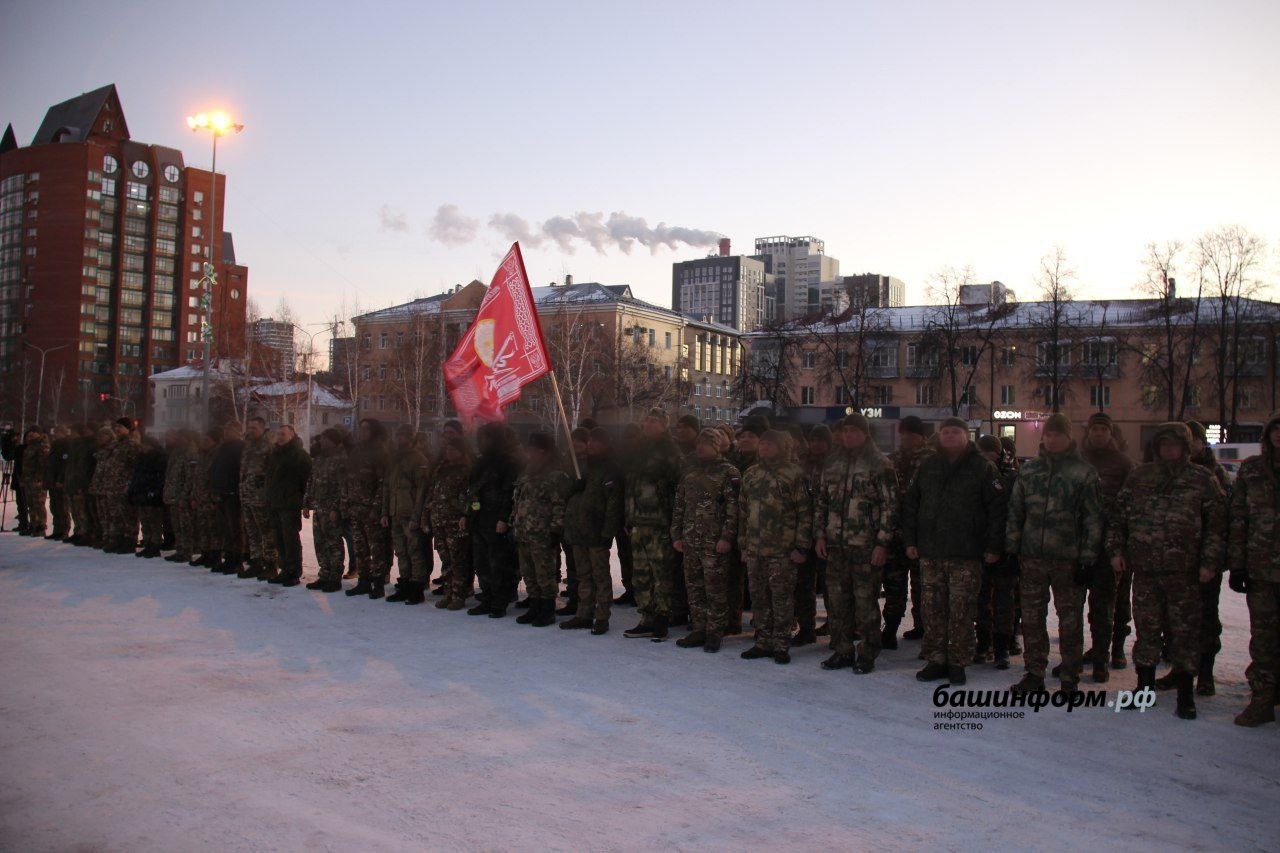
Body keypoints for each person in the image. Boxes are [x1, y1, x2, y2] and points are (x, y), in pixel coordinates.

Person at [1108, 422, 1226, 720]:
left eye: (1174, 445)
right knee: (1146, 629)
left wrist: (1209, 563)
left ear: (1185, 448)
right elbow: (1118, 517)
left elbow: (1216, 526)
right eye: (1164, 444)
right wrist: (1116, 551)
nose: (1168, 450)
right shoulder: (1140, 477)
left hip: (1184, 573)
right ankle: (1145, 688)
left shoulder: (1202, 479)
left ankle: (1186, 693)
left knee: (1184, 632)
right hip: (1145, 570)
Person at [903, 417, 1007, 686]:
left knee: (961, 611)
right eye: (945, 432)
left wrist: (993, 546)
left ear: (965, 436)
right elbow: (911, 504)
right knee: (933, 609)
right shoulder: (928, 466)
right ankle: (936, 659)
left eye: (955, 432)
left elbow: (997, 510)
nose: (949, 436)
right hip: (932, 551)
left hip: (966, 552)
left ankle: (958, 662)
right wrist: (911, 540)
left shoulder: (982, 467)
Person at [1004, 414, 1103, 695]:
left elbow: (1093, 520)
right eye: (1048, 434)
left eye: (1058, 435)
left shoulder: (1083, 473)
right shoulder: (1030, 471)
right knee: (1032, 619)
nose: (1052, 439)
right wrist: (1012, 550)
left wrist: (1087, 558)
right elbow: (1015, 512)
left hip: (1068, 560)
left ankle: (1070, 676)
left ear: (1068, 438)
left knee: (1069, 621)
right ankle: (1034, 672)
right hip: (1032, 557)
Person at [814, 414, 897, 673]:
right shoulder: (833, 463)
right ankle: (842, 649)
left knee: (865, 604)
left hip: (865, 546)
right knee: (837, 603)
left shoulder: (879, 464)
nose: (848, 435)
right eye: (845, 430)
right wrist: (819, 534)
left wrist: (882, 543)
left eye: (853, 431)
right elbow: (822, 502)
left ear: (865, 433)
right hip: (835, 545)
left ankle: (868, 651)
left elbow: (890, 507)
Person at [738, 430, 813, 664]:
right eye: (763, 443)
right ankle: (762, 641)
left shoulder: (794, 474)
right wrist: (743, 544)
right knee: (759, 598)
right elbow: (743, 511)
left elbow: (805, 512)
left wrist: (801, 546)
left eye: (770, 444)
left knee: (781, 598)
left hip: (783, 549)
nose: (765, 447)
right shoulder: (751, 474)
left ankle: (781, 643)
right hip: (755, 549)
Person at [1226, 412, 1280, 727]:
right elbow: (1239, 517)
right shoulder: (1253, 470)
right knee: (1263, 638)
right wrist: (1237, 565)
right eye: (1275, 431)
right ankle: (1262, 700)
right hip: (1261, 569)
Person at [671, 428, 740, 653]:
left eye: (707, 443)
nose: (701, 447)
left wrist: (727, 538)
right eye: (699, 443)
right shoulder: (690, 473)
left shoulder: (729, 473)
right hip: (691, 540)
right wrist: (677, 535)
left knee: (715, 589)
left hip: (714, 542)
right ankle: (699, 628)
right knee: (694, 587)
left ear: (717, 446)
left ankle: (714, 632)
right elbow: (679, 506)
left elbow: (733, 509)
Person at [1080, 412, 1136, 677]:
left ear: (1111, 433)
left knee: (1116, 602)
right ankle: (1096, 649)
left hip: (1113, 545)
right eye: (1095, 429)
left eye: (1103, 429)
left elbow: (1131, 505)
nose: (1098, 433)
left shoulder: (1123, 463)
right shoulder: (1078, 460)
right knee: (1088, 602)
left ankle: (1115, 650)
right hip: (1082, 543)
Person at [621, 408, 685, 641]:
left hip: (660, 523)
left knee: (661, 574)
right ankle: (646, 616)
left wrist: (674, 523)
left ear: (664, 425)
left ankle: (661, 618)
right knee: (641, 573)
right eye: (647, 420)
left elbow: (679, 489)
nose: (649, 425)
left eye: (654, 421)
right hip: (638, 522)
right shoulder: (639, 450)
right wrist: (629, 517)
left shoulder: (670, 451)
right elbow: (631, 487)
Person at [1179, 420, 1231, 696]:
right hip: (1176, 561)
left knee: (1206, 618)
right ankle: (1181, 668)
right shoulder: (1172, 473)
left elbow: (1221, 523)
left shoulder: (1214, 474)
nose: (1190, 445)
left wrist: (1212, 561)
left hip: (1204, 562)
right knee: (1177, 619)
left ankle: (1205, 673)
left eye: (1194, 439)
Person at [561, 428, 625, 635]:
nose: (591, 445)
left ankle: (602, 616)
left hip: (597, 532)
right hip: (578, 530)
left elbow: (614, 504)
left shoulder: (610, 469)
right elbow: (566, 492)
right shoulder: (582, 466)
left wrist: (607, 533)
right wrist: (574, 486)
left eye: (596, 441)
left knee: (600, 577)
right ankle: (584, 613)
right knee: (583, 576)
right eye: (589, 441)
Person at [511, 432, 571, 627]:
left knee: (544, 575)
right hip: (524, 532)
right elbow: (518, 501)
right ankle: (534, 606)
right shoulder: (527, 473)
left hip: (543, 534)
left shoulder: (555, 475)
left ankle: (546, 610)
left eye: (533, 450)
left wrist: (556, 530)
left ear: (544, 452)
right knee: (529, 573)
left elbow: (559, 505)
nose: (529, 454)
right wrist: (514, 522)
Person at [884, 415, 934, 647]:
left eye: (911, 435)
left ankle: (923, 627)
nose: (905, 439)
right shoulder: (892, 460)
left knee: (922, 586)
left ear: (921, 437)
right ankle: (890, 628)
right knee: (894, 585)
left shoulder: (932, 461)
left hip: (921, 534)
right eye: (903, 434)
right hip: (894, 533)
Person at [465, 422, 520, 617]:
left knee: (499, 564)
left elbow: (510, 494)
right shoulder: (481, 463)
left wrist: (504, 519)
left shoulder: (507, 463)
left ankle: (499, 601)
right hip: (480, 519)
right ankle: (487, 597)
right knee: (482, 563)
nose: (481, 442)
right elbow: (473, 493)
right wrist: (470, 514)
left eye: (485, 437)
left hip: (497, 521)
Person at [975, 435, 1020, 670]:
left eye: (990, 453)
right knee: (981, 600)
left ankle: (1003, 646)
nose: (986, 458)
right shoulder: (976, 475)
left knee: (1004, 601)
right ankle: (983, 643)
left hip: (1005, 549)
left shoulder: (1012, 477)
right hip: (980, 548)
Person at [344, 418, 393, 598]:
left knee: (376, 548)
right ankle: (363, 581)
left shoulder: (380, 452)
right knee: (360, 547)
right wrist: (347, 502)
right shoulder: (357, 451)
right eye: (361, 428)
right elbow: (348, 478)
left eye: (367, 429)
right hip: (356, 508)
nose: (363, 432)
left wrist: (377, 508)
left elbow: (382, 484)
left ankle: (378, 583)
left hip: (371, 510)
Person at [383, 425, 431, 604]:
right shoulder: (394, 459)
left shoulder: (418, 459)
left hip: (410, 514)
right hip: (395, 512)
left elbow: (422, 491)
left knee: (415, 552)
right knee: (401, 552)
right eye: (398, 436)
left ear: (411, 439)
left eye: (403, 437)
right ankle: (404, 585)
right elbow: (387, 487)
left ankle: (417, 588)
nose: (399, 440)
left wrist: (416, 516)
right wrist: (385, 512)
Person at [795, 424, 832, 647]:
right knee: (803, 584)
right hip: (804, 531)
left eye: (821, 440)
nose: (816, 444)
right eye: (814, 439)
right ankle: (806, 627)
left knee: (830, 585)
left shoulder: (835, 464)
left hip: (828, 533)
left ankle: (835, 624)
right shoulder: (802, 463)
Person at [427, 437, 473, 610]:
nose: (449, 452)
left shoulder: (466, 470)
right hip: (439, 520)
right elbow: (433, 493)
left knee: (458, 560)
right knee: (445, 559)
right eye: (447, 449)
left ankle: (459, 595)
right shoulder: (441, 469)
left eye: (453, 449)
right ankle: (448, 593)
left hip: (456, 522)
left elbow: (472, 497)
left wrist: (466, 515)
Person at [263, 424, 312, 587]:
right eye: (278, 434)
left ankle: (294, 572)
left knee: (290, 539)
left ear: (292, 435)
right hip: (275, 503)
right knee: (279, 539)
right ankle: (284, 569)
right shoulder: (274, 454)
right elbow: (269, 478)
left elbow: (306, 479)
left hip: (289, 504)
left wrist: (301, 500)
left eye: (283, 434)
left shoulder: (299, 455)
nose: (279, 437)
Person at [304, 428, 348, 593]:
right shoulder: (319, 459)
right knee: (319, 543)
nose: (320, 442)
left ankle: (334, 578)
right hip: (318, 507)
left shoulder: (341, 460)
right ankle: (324, 575)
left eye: (323, 439)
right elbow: (311, 481)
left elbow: (343, 487)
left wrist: (336, 508)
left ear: (331, 440)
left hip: (331, 509)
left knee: (333, 543)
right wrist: (307, 503)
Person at [239, 417, 278, 579]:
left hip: (260, 498)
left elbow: (271, 473)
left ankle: (270, 565)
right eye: (249, 428)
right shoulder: (248, 446)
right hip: (246, 496)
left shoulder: (267, 447)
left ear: (262, 428)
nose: (251, 430)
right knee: (252, 532)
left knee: (266, 533)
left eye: (254, 428)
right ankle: (256, 562)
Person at [210, 421, 246, 576]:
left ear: (238, 432)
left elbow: (240, 471)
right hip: (221, 493)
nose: (226, 432)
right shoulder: (222, 448)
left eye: (229, 430)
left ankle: (236, 561)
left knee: (235, 530)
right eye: (225, 430)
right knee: (225, 530)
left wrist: (234, 489)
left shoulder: (240, 448)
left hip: (232, 494)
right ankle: (228, 558)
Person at [128, 435, 169, 558]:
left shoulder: (159, 458)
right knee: (145, 521)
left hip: (152, 494)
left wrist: (155, 491)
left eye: (145, 445)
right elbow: (137, 476)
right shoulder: (141, 458)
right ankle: (148, 543)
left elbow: (160, 477)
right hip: (142, 492)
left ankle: (155, 545)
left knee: (154, 521)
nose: (142, 448)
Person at [163, 430, 195, 563]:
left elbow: (190, 478)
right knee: (176, 525)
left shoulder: (190, 453)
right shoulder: (175, 453)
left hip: (182, 496)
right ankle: (180, 549)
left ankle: (186, 552)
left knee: (184, 525)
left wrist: (185, 496)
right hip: (173, 495)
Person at [64, 424, 98, 546]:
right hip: (76, 480)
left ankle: (89, 533)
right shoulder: (78, 446)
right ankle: (80, 532)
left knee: (86, 511)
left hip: (85, 482)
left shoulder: (91, 446)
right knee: (77, 510)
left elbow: (87, 467)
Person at [20, 427, 50, 536]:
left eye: (33, 432)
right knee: (31, 503)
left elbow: (43, 463)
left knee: (38, 503)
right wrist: (23, 478)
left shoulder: (42, 445)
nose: (31, 435)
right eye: (30, 433)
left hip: (37, 480)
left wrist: (39, 477)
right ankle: (33, 525)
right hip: (28, 479)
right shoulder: (30, 446)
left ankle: (41, 526)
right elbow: (26, 464)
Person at [44, 424, 72, 540]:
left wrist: (61, 479)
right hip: (53, 480)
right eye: (54, 432)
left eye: (58, 432)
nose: (55, 435)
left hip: (60, 481)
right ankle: (57, 529)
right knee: (54, 506)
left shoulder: (66, 445)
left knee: (62, 507)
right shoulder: (54, 446)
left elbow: (65, 465)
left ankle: (64, 530)